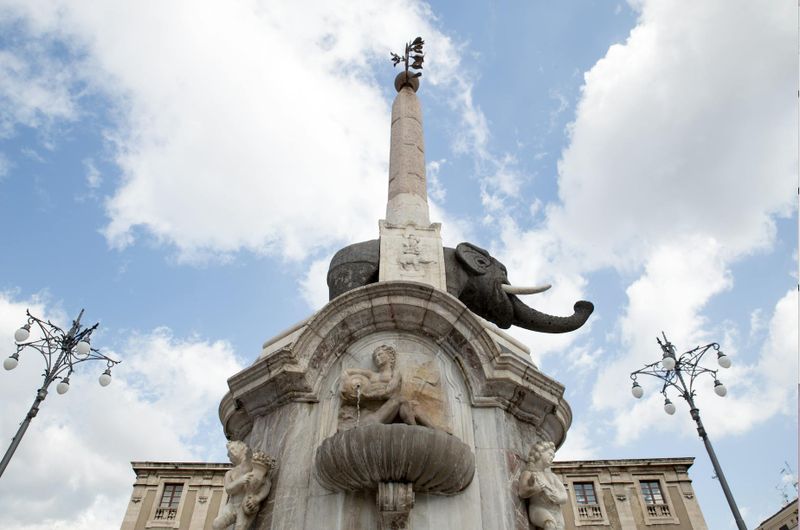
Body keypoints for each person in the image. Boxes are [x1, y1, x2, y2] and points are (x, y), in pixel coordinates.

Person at [518, 440, 567, 530]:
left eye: (553, 456)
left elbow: (564, 495)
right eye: (550, 454)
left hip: (556, 511)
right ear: (540, 453)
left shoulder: (552, 477)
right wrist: (535, 488)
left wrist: (558, 497)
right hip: (537, 508)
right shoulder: (528, 473)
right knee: (550, 524)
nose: (552, 457)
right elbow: (522, 492)